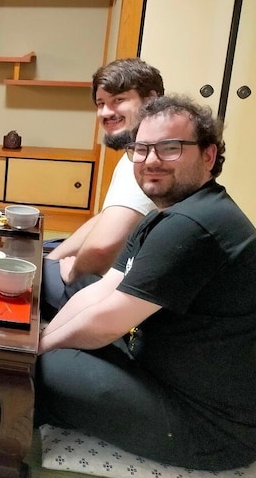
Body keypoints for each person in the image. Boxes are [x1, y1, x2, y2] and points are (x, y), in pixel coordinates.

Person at [0, 95, 256, 471]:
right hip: (163, 370)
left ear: (208, 155)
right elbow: (101, 290)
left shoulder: (195, 225)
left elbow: (109, 321)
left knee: (37, 372)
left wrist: (37, 351)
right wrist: (40, 342)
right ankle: (46, 394)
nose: (151, 160)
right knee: (51, 337)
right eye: (141, 149)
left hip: (214, 428)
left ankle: (35, 403)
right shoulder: (171, 213)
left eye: (170, 148)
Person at [42, 58, 164, 318]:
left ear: (151, 100)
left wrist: (71, 272)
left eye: (119, 100)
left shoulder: (150, 159)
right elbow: (107, 217)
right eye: (100, 104)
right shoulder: (137, 148)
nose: (106, 112)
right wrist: (53, 259)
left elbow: (102, 247)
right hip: (120, 275)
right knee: (46, 252)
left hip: (122, 293)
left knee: (25, 279)